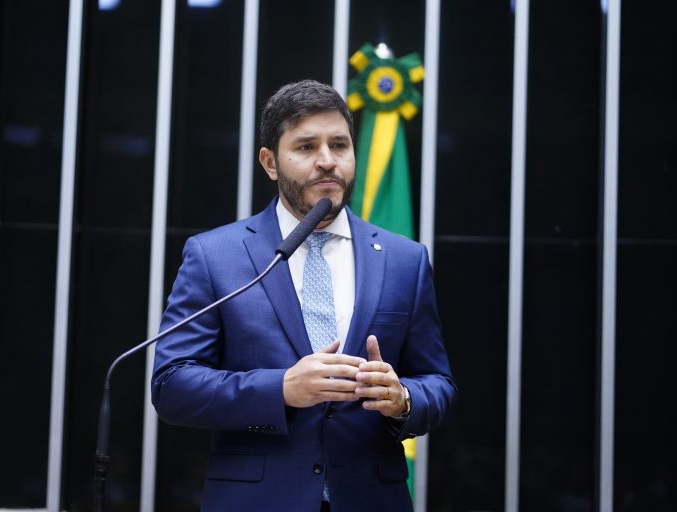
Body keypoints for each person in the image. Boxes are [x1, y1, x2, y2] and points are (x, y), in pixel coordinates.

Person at [151, 79, 456, 512]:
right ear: (270, 162)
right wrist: (281, 388)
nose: (327, 162)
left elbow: (439, 384)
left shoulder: (404, 259)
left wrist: (402, 398)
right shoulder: (215, 255)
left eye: (339, 145)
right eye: (307, 147)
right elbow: (172, 385)